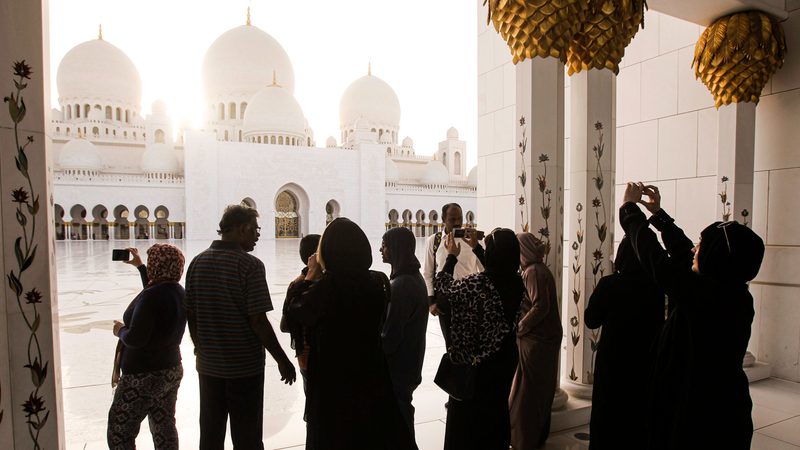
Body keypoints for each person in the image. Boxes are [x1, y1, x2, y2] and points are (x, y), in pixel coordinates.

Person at [619, 182, 764, 450]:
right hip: (724, 406)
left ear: (716, 257)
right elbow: (685, 254)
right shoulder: (732, 292)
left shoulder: (703, 296)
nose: (695, 249)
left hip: (697, 412)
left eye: (702, 246)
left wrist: (629, 210)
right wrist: (658, 216)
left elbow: (657, 261)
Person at [284, 218, 416, 450]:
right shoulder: (378, 281)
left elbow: (296, 313)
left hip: (334, 384)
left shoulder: (329, 288)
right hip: (370, 373)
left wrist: (310, 276)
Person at [184, 204, 296, 450]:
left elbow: (190, 313)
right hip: (244, 368)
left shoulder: (196, 263)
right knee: (247, 435)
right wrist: (282, 359)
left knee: (210, 433)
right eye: (255, 229)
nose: (257, 235)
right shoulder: (250, 266)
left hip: (209, 366)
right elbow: (258, 320)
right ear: (241, 229)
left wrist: (199, 346)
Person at [434, 228, 524, 450]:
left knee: (468, 419)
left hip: (475, 366)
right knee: (495, 411)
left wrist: (451, 257)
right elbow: (498, 267)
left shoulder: (476, 284)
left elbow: (444, 289)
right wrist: (477, 248)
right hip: (504, 358)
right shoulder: (517, 282)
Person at [583, 236, 665, 449]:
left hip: (614, 361)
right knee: (637, 416)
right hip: (645, 362)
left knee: (608, 415)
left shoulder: (611, 284)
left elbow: (591, 320)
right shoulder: (656, 287)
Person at [108, 245, 187, 450]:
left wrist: (120, 330)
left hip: (143, 375)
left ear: (156, 266)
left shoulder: (152, 296)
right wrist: (140, 267)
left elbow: (135, 338)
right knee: (163, 425)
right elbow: (155, 295)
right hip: (170, 370)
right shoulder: (177, 291)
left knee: (120, 431)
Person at [509, 233, 563, 449]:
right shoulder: (537, 269)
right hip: (542, 339)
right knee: (536, 390)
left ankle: (525, 439)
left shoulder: (533, 272)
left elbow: (540, 306)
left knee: (527, 393)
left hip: (537, 340)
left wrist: (520, 327)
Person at [380, 227, 429, 440]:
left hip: (399, 367)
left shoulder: (402, 285)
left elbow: (390, 337)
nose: (381, 249)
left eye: (385, 245)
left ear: (396, 248)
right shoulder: (412, 278)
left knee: (399, 428)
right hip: (410, 362)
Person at [423, 203, 484, 347]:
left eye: (459, 218)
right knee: (450, 343)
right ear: (443, 219)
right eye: (452, 219)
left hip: (470, 299)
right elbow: (428, 273)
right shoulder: (434, 241)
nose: (457, 223)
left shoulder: (473, 240)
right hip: (445, 300)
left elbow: (483, 269)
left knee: (471, 342)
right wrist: (431, 301)